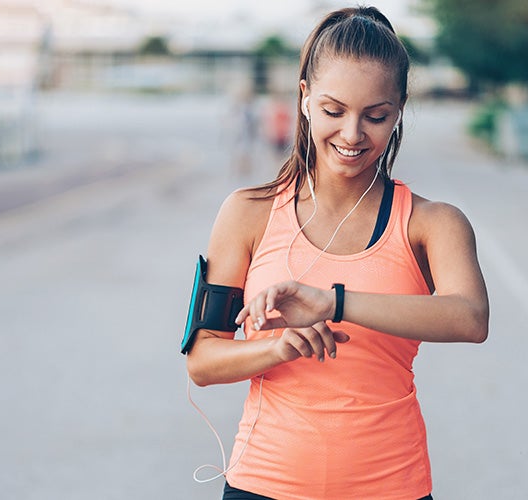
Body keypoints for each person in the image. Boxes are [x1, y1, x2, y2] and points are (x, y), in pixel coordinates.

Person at [185, 6, 489, 500]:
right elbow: (201, 361)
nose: (351, 135)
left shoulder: (433, 224)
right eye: (333, 111)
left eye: (376, 116)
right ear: (304, 98)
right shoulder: (247, 213)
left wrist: (334, 302)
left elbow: (471, 318)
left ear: (399, 109)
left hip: (392, 487)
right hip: (263, 484)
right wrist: (277, 347)